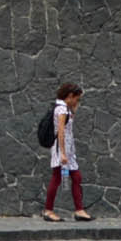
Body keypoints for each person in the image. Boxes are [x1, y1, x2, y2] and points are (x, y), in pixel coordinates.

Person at [41, 82, 90, 221]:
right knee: (57, 178)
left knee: (76, 177)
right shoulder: (61, 110)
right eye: (77, 98)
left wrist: (74, 107)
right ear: (70, 96)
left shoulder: (65, 108)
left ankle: (79, 210)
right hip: (62, 149)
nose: (77, 101)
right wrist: (62, 153)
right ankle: (48, 210)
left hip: (68, 149)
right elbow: (61, 132)